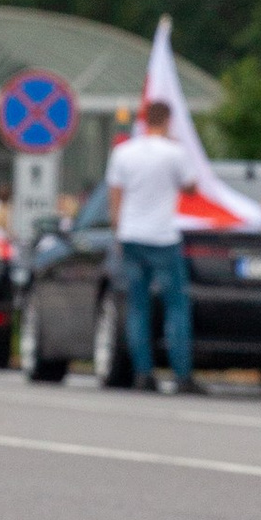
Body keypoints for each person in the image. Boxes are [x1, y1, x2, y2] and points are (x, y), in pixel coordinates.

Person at [105, 96, 196, 393]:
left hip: (131, 235)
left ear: (144, 119)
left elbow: (115, 195)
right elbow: (191, 187)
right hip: (163, 237)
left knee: (138, 306)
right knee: (176, 306)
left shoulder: (123, 152)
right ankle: (181, 374)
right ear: (168, 120)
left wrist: (118, 232)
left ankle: (143, 373)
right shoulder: (174, 153)